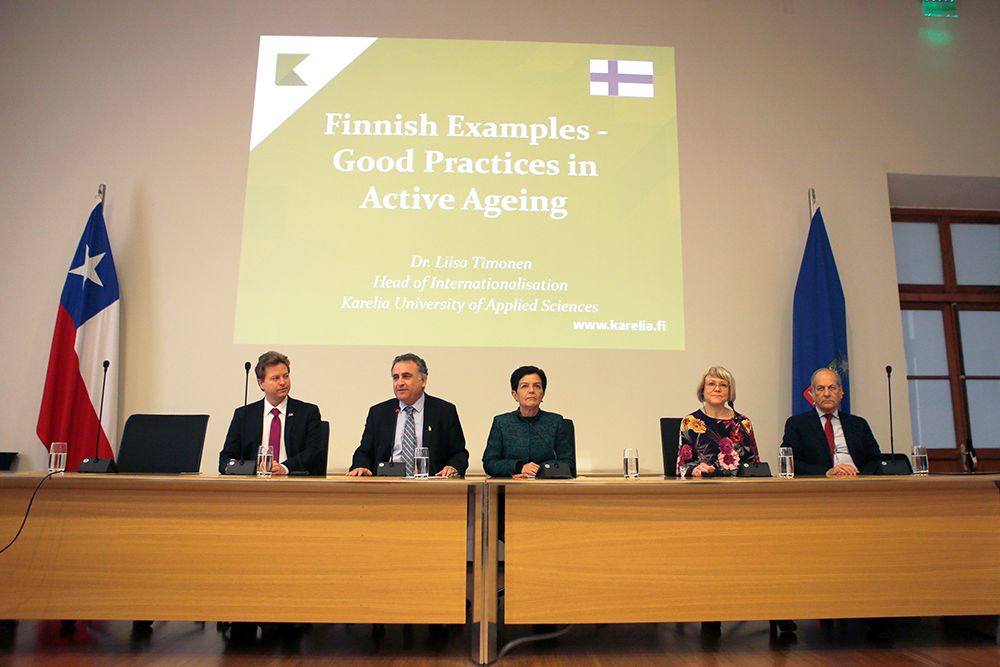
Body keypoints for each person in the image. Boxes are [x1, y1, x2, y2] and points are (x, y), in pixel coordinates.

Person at [348, 353, 468, 477]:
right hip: (387, 485)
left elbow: (459, 454)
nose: (399, 383)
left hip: (430, 487)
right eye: (395, 377)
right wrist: (360, 466)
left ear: (423, 380)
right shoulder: (379, 413)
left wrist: (453, 467)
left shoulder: (444, 411)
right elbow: (364, 452)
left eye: (406, 376)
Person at [218, 351, 324, 476]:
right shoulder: (244, 415)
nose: (283, 382)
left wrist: (284, 468)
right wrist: (257, 469)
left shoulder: (307, 412)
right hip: (253, 486)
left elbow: (315, 452)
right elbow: (225, 460)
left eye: (286, 376)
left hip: (293, 483)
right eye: (275, 378)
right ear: (261, 383)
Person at [782, 367, 881, 476]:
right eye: (820, 388)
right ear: (813, 394)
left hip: (858, 483)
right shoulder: (797, 424)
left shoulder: (858, 424)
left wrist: (859, 475)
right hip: (819, 486)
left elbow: (875, 459)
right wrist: (827, 472)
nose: (826, 393)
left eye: (832, 387)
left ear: (841, 392)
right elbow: (789, 463)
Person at [482, 365, 575, 478]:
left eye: (537, 386)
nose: (531, 390)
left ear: (543, 393)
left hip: (548, 489)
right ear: (515, 394)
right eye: (524, 386)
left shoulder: (556, 422)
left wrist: (540, 470)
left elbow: (568, 465)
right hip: (511, 489)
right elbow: (489, 463)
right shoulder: (502, 422)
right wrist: (519, 467)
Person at [677, 366, 760, 478]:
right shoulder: (690, 422)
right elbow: (682, 468)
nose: (717, 389)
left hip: (738, 489)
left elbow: (756, 466)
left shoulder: (743, 423)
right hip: (702, 488)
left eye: (723, 385)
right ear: (703, 390)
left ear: (730, 392)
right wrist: (694, 470)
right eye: (711, 384)